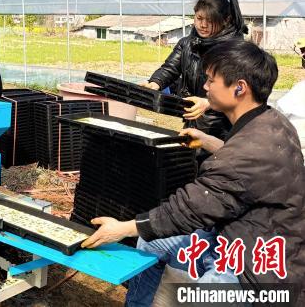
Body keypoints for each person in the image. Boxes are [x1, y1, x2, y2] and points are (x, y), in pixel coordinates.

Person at [82, 40, 305, 305]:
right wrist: (208, 141)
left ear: (239, 88)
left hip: (255, 265)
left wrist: (122, 229)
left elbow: (189, 209)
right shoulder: (271, 121)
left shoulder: (246, 152)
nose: (205, 87)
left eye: (211, 80)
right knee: (150, 244)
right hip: (240, 232)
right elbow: (247, 170)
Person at [141, 0, 247, 144]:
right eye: (199, 18)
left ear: (226, 20)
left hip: (223, 125)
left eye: (210, 21)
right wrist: (154, 83)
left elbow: (237, 91)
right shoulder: (187, 44)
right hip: (193, 118)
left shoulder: (235, 51)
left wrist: (209, 103)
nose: (202, 25)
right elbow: (170, 68)